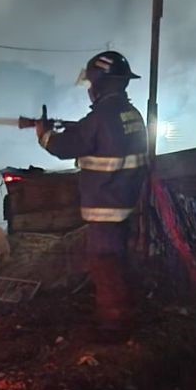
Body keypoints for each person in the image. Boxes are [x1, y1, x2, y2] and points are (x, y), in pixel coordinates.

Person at [35, 51, 149, 342]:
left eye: (90, 83)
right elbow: (102, 137)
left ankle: (114, 328)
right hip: (125, 204)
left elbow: (64, 147)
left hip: (105, 208)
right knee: (119, 263)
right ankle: (126, 316)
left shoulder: (100, 117)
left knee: (105, 263)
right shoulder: (130, 114)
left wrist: (44, 134)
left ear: (99, 82)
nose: (89, 89)